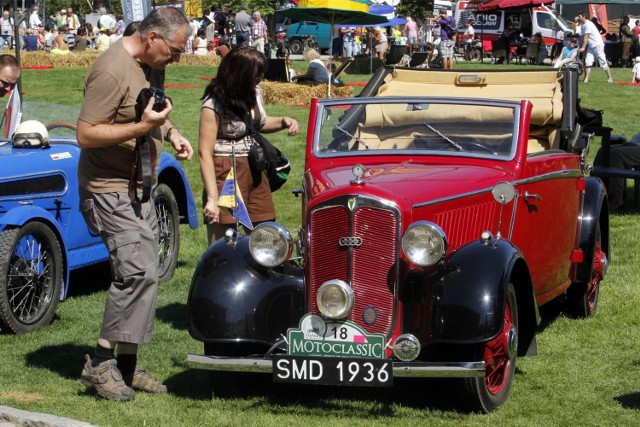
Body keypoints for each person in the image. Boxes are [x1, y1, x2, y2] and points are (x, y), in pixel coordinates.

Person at [76, 6, 193, 401]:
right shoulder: (110, 70)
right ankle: (98, 364)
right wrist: (143, 128)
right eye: (175, 50)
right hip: (108, 187)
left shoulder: (151, 63)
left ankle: (126, 366)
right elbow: (86, 134)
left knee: (148, 274)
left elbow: (153, 107)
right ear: (152, 38)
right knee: (138, 271)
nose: (177, 58)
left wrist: (171, 131)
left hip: (141, 184)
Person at [198, 45, 298, 245]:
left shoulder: (254, 92)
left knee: (267, 236)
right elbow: (204, 153)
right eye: (256, 76)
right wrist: (212, 197)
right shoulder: (213, 105)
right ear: (239, 75)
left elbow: (257, 124)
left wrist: (283, 121)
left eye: (261, 75)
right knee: (224, 243)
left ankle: (265, 275)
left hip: (254, 168)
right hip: (226, 172)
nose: (260, 80)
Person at [576, 11, 613, 83]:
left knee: (602, 61)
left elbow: (586, 37)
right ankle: (586, 79)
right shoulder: (582, 25)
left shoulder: (588, 24)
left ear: (583, 17)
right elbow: (581, 35)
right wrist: (572, 37)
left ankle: (610, 78)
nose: (578, 18)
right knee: (588, 62)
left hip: (597, 45)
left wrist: (583, 47)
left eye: (579, 16)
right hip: (591, 46)